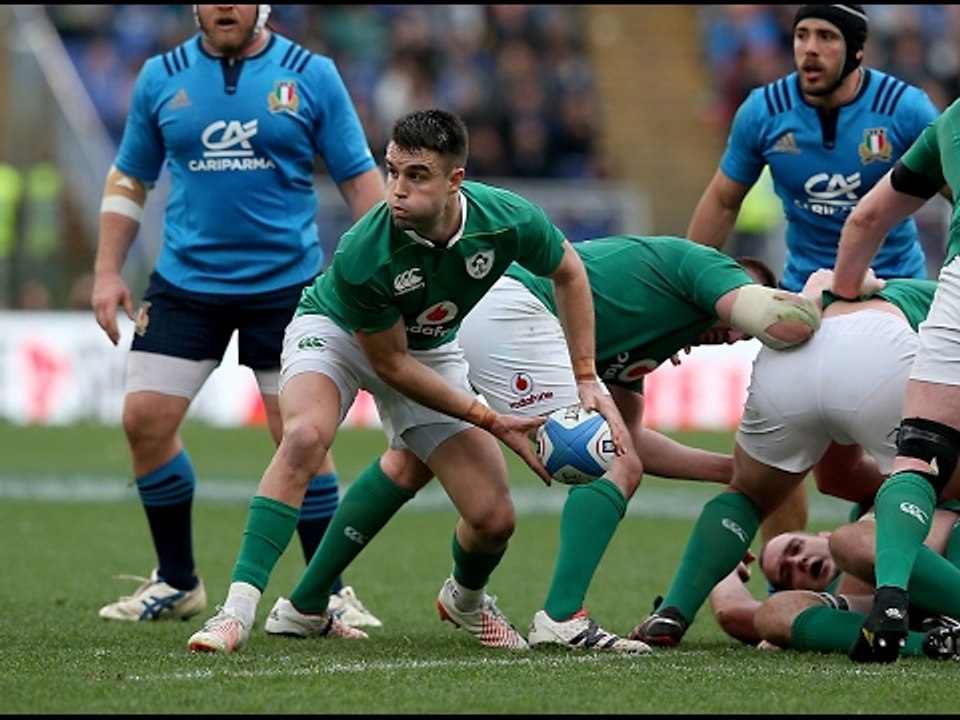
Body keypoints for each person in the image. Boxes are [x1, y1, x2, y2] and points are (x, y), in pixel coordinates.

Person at [186, 108, 619, 654]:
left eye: (416, 175)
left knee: (493, 518)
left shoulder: (507, 220)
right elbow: (390, 366)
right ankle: (236, 611)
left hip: (428, 349)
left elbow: (569, 272)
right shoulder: (365, 250)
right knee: (304, 437)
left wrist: (586, 377)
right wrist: (488, 418)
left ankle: (457, 602)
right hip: (336, 332)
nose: (396, 189)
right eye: (391, 171)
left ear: (455, 180)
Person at [263, 235, 822, 654]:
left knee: (410, 465)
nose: (733, 333)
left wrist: (735, 472)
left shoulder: (651, 337)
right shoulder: (702, 264)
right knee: (609, 461)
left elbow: (634, 441)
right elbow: (778, 320)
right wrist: (827, 297)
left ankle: (305, 605)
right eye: (735, 313)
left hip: (483, 313)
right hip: (510, 306)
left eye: (739, 336)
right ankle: (562, 618)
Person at [90, 4, 386, 627]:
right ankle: (177, 581)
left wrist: (388, 271)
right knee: (144, 420)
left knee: (300, 436)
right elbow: (129, 179)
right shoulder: (160, 76)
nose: (225, 5)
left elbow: (360, 180)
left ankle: (327, 590)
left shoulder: (312, 74)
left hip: (287, 286)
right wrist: (107, 270)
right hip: (185, 281)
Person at [686, 4, 941, 540]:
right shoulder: (764, 110)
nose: (810, 49)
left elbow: (954, 190)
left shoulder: (905, 108)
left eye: (826, 37)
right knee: (803, 468)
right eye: (802, 35)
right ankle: (789, 573)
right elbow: (723, 201)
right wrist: (684, 290)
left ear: (857, 50)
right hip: (807, 301)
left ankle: (887, 551)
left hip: (897, 296)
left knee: (914, 453)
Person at [629, 271, 937, 648]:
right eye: (790, 567)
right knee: (933, 482)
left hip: (796, 355)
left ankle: (673, 610)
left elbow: (836, 478)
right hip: (880, 351)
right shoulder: (938, 296)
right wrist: (912, 485)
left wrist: (892, 490)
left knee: (747, 495)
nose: (800, 563)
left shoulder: (892, 291)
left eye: (790, 557)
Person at [831, 93, 960, 663]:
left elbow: (868, 216)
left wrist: (844, 292)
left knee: (919, 458)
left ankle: (888, 600)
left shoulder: (952, 119)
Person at [710, 508, 960, 662]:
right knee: (773, 612)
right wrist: (724, 566)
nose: (798, 561)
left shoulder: (866, 519)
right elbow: (733, 613)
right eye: (787, 573)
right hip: (910, 611)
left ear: (823, 535)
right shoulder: (831, 610)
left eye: (796, 548)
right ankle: (942, 645)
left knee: (850, 540)